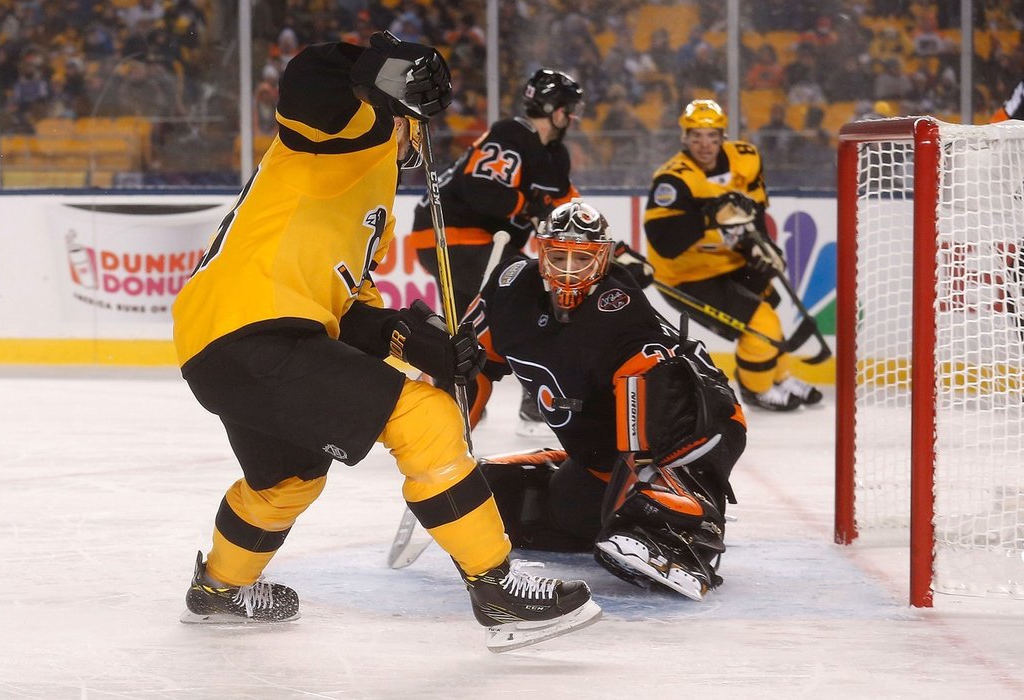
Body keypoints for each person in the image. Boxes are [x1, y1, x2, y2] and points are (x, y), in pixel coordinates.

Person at [171, 31, 600, 651]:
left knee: (287, 479)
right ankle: (497, 588)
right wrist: (374, 66)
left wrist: (416, 339)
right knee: (425, 419)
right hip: (254, 328)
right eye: (416, 122)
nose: (422, 140)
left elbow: (351, 309)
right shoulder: (352, 133)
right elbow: (305, 87)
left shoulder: (372, 196)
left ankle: (218, 589)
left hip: (227, 340)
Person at [463, 200, 745, 600]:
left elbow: (649, 394)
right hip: (603, 454)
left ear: (604, 259)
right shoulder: (510, 288)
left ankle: (691, 521)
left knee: (632, 518)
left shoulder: (619, 305)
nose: (567, 269)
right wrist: (447, 450)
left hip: (696, 430)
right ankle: (603, 493)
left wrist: (633, 489)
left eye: (582, 258)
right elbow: (470, 368)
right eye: (558, 255)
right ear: (540, 252)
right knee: (510, 502)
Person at [409, 68, 583, 437]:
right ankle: (536, 401)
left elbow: (569, 211)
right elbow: (480, 188)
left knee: (468, 327)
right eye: (569, 108)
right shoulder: (511, 135)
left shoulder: (555, 156)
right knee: (531, 297)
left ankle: (444, 403)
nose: (573, 116)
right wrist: (527, 203)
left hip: (464, 240)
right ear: (553, 108)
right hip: (451, 235)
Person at [643, 99, 822, 411]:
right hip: (685, 276)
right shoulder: (673, 179)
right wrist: (707, 217)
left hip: (729, 260)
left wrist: (762, 247)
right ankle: (757, 389)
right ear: (684, 137)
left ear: (723, 136)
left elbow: (754, 212)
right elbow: (664, 243)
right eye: (696, 136)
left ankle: (778, 376)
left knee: (768, 306)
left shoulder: (745, 158)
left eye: (712, 136)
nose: (705, 145)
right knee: (761, 324)